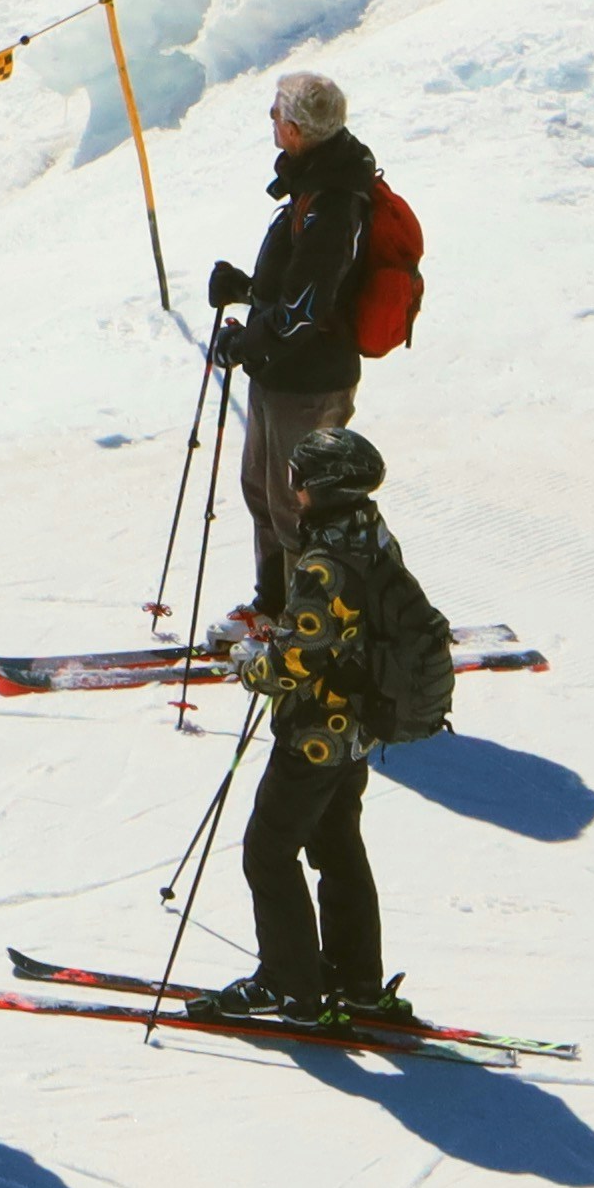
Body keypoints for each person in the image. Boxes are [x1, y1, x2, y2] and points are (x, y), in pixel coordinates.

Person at [214, 424, 411, 1026]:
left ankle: (290, 988)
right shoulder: (373, 535)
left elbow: (296, 661)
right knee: (338, 846)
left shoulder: (324, 564)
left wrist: (250, 663)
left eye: (298, 478)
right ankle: (357, 982)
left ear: (323, 487)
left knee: (267, 854)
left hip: (315, 737)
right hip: (357, 731)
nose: (292, 487)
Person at [205, 65, 381, 611]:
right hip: (282, 374)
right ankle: (274, 606)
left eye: (278, 113)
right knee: (263, 492)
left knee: (297, 507)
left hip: (309, 382)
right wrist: (248, 290)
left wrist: (245, 344)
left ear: (297, 131)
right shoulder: (313, 183)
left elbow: (305, 312)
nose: (271, 118)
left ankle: (307, 623)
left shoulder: (333, 202)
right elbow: (300, 290)